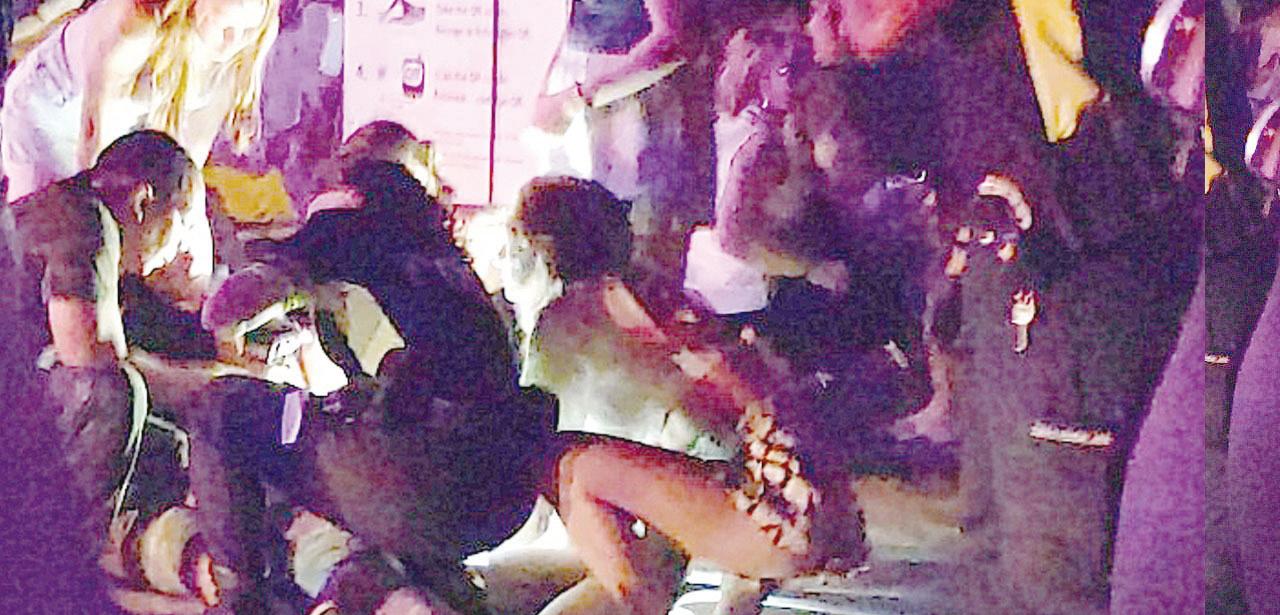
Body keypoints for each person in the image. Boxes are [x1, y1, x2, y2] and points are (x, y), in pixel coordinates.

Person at [502, 176, 935, 614]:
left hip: (765, 502)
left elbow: (535, 445)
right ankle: (710, 588)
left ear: (536, 250)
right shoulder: (649, 293)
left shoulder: (570, 318)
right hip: (801, 490)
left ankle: (639, 601)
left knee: (566, 464)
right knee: (637, 516)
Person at [2, 0, 281, 294]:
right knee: (56, 238)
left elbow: (185, 164)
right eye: (226, 28)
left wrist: (186, 232)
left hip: (131, 121)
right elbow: (95, 152)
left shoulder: (239, 51)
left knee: (168, 236)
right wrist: (105, 247)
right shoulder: (135, 24)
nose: (233, 42)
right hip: (51, 113)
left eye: (247, 31)